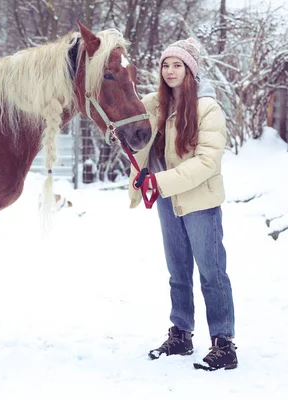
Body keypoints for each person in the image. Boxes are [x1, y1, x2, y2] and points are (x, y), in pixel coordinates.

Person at [128, 37, 238, 371]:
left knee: (211, 273)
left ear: (190, 70)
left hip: (199, 201)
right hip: (167, 200)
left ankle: (224, 343)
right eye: (165, 64)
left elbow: (207, 162)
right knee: (177, 272)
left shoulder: (207, 107)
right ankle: (181, 334)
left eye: (177, 65)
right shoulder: (156, 104)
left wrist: (158, 181)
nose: (170, 70)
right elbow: (128, 121)